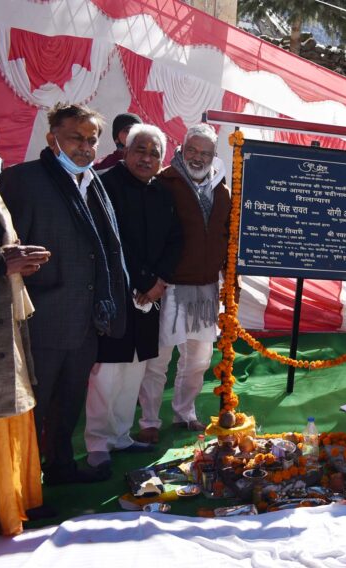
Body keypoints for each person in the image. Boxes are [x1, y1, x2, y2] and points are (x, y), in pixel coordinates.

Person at [0, 102, 127, 485]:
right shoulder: (23, 180)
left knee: (68, 403)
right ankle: (22, 484)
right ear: (52, 138)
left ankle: (60, 467)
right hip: (42, 319)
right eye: (76, 138)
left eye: (92, 140)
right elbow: (6, 248)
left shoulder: (92, 181)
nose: (86, 147)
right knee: (33, 409)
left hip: (86, 320)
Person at [84, 124, 183, 469]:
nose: (147, 158)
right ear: (126, 151)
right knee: (108, 373)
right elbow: (110, 242)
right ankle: (97, 442)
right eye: (140, 150)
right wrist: (143, 281)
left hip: (151, 295)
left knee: (136, 369)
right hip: (115, 294)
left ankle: (122, 436)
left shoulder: (162, 193)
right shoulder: (104, 185)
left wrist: (160, 281)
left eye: (155, 153)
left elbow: (175, 240)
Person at [0, 112, 52, 536]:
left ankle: (11, 504)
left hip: (1, 325)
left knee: (9, 408)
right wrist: (2, 262)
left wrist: (19, 256)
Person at [136, 123, 229, 443]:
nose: (198, 157)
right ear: (181, 148)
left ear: (214, 156)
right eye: (192, 150)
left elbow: (226, 235)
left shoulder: (222, 188)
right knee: (158, 360)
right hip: (170, 286)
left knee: (199, 360)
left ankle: (184, 412)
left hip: (206, 287)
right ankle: (149, 420)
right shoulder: (164, 182)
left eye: (205, 153)